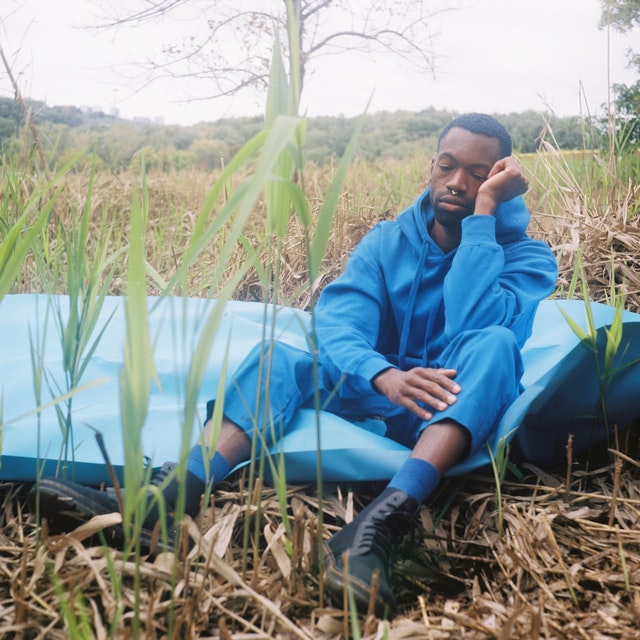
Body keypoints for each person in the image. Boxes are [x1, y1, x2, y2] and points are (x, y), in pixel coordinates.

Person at [29, 113, 558, 618]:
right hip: (379, 386)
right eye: (447, 165)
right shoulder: (386, 242)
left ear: (502, 180)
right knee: (278, 357)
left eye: (478, 174)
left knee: (493, 345)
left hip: (453, 397)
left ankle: (376, 528)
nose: (457, 182)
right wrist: (382, 375)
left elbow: (474, 324)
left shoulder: (530, 258)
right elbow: (339, 323)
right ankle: (172, 498)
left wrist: (484, 220)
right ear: (431, 166)